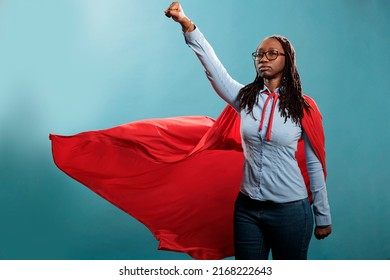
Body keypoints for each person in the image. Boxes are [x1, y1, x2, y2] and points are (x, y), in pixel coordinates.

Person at [165, 1, 332, 260]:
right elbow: (213, 69)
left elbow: (314, 164)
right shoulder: (246, 99)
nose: (263, 58)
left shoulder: (304, 108)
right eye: (259, 54)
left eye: (272, 53)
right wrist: (188, 25)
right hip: (247, 209)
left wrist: (322, 216)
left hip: (290, 211)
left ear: (288, 60)